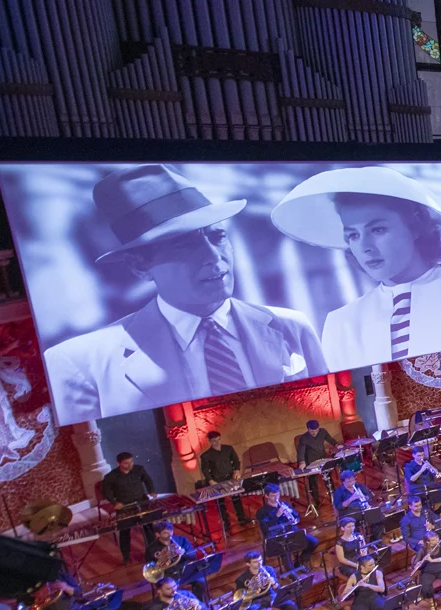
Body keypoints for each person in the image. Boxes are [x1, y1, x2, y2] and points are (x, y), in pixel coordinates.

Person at [46, 164, 327, 420]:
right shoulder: (80, 365)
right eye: (184, 245)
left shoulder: (291, 327)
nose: (214, 257)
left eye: (217, 236)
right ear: (140, 266)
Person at [100, 452, 156, 565]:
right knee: (125, 531)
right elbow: (105, 491)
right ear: (119, 463)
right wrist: (115, 502)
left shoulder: (138, 469)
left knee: (148, 528)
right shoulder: (111, 476)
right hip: (125, 506)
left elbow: (148, 480)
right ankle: (126, 556)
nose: (130, 465)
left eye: (131, 462)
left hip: (141, 502)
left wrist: (151, 490)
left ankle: (152, 553)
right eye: (126, 463)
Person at [197, 430, 247, 531]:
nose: (217, 442)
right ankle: (226, 523)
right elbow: (205, 469)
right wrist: (210, 480)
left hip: (230, 477)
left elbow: (236, 461)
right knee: (221, 503)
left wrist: (237, 471)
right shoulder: (206, 455)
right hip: (217, 480)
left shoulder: (228, 449)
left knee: (236, 498)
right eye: (214, 441)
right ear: (210, 441)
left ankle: (241, 518)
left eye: (218, 439)